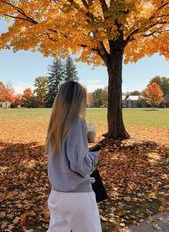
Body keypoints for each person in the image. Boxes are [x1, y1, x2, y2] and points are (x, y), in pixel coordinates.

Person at [46, 81, 102, 232]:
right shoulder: (77, 122)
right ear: (78, 100)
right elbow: (80, 165)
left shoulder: (54, 124)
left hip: (57, 194)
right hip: (78, 195)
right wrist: (94, 156)